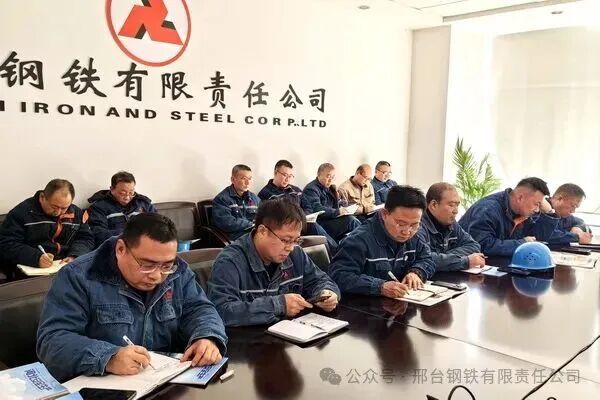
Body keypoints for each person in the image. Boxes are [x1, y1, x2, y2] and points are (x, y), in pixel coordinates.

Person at [37, 213, 227, 382]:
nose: (157, 276)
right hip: (104, 389)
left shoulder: (178, 272)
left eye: (166, 266)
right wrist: (109, 357)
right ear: (121, 249)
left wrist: (207, 337)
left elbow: (200, 309)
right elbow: (52, 341)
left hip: (166, 382)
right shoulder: (77, 276)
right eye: (147, 265)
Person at [207, 198, 340, 327]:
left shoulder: (295, 253)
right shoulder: (230, 261)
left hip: (292, 334)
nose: (290, 248)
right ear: (262, 231)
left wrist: (327, 292)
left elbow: (320, 280)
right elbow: (220, 310)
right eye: (285, 240)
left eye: (296, 240)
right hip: (248, 339)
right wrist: (279, 305)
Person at [329, 185, 435, 298]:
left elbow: (427, 259)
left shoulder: (416, 235)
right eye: (401, 224)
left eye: (414, 225)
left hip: (403, 302)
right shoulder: (359, 239)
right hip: (365, 305)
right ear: (384, 214)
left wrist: (416, 272)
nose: (407, 231)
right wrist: (380, 287)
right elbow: (339, 275)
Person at [0, 179, 94, 270]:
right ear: (42, 197)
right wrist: (36, 257)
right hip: (31, 267)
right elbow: (6, 243)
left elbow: (85, 238)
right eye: (54, 207)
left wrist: (75, 256)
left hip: (65, 265)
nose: (58, 212)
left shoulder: (76, 213)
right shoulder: (21, 213)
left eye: (64, 208)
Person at [459, 178, 559, 256]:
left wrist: (549, 212)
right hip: (466, 270)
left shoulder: (522, 212)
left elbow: (538, 240)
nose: (537, 209)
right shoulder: (488, 209)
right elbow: (481, 245)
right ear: (520, 198)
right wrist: (521, 244)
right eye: (536, 204)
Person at [258, 160, 338, 253]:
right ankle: (337, 252)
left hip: (302, 222)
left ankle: (336, 251)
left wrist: (304, 217)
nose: (287, 179)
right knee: (313, 226)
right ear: (275, 172)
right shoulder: (265, 193)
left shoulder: (296, 190)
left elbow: (308, 207)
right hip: (285, 226)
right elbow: (269, 217)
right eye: (284, 175)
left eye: (290, 176)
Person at [420, 183, 484, 271]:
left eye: (457, 205)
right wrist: (464, 261)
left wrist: (444, 258)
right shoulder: (417, 225)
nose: (456, 211)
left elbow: (474, 246)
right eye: (451, 205)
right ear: (433, 205)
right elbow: (424, 259)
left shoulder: (451, 223)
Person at [87, 171, 156, 247]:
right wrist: (129, 234)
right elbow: (98, 234)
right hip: (115, 247)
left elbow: (157, 225)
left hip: (146, 246)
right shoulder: (99, 207)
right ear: (112, 189)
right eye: (122, 193)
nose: (127, 197)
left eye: (131, 193)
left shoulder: (144, 204)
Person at [301, 163, 361, 241]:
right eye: (328, 176)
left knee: (353, 219)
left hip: (331, 219)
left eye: (333, 177)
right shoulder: (311, 189)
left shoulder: (331, 188)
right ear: (319, 175)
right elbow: (317, 208)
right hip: (321, 223)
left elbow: (339, 204)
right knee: (350, 221)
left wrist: (344, 206)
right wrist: (337, 212)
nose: (331, 180)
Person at [212, 164, 261, 240]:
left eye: (250, 179)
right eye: (243, 178)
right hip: (236, 239)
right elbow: (227, 223)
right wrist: (251, 224)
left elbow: (263, 216)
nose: (248, 182)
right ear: (233, 179)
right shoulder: (222, 199)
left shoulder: (254, 198)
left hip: (254, 234)